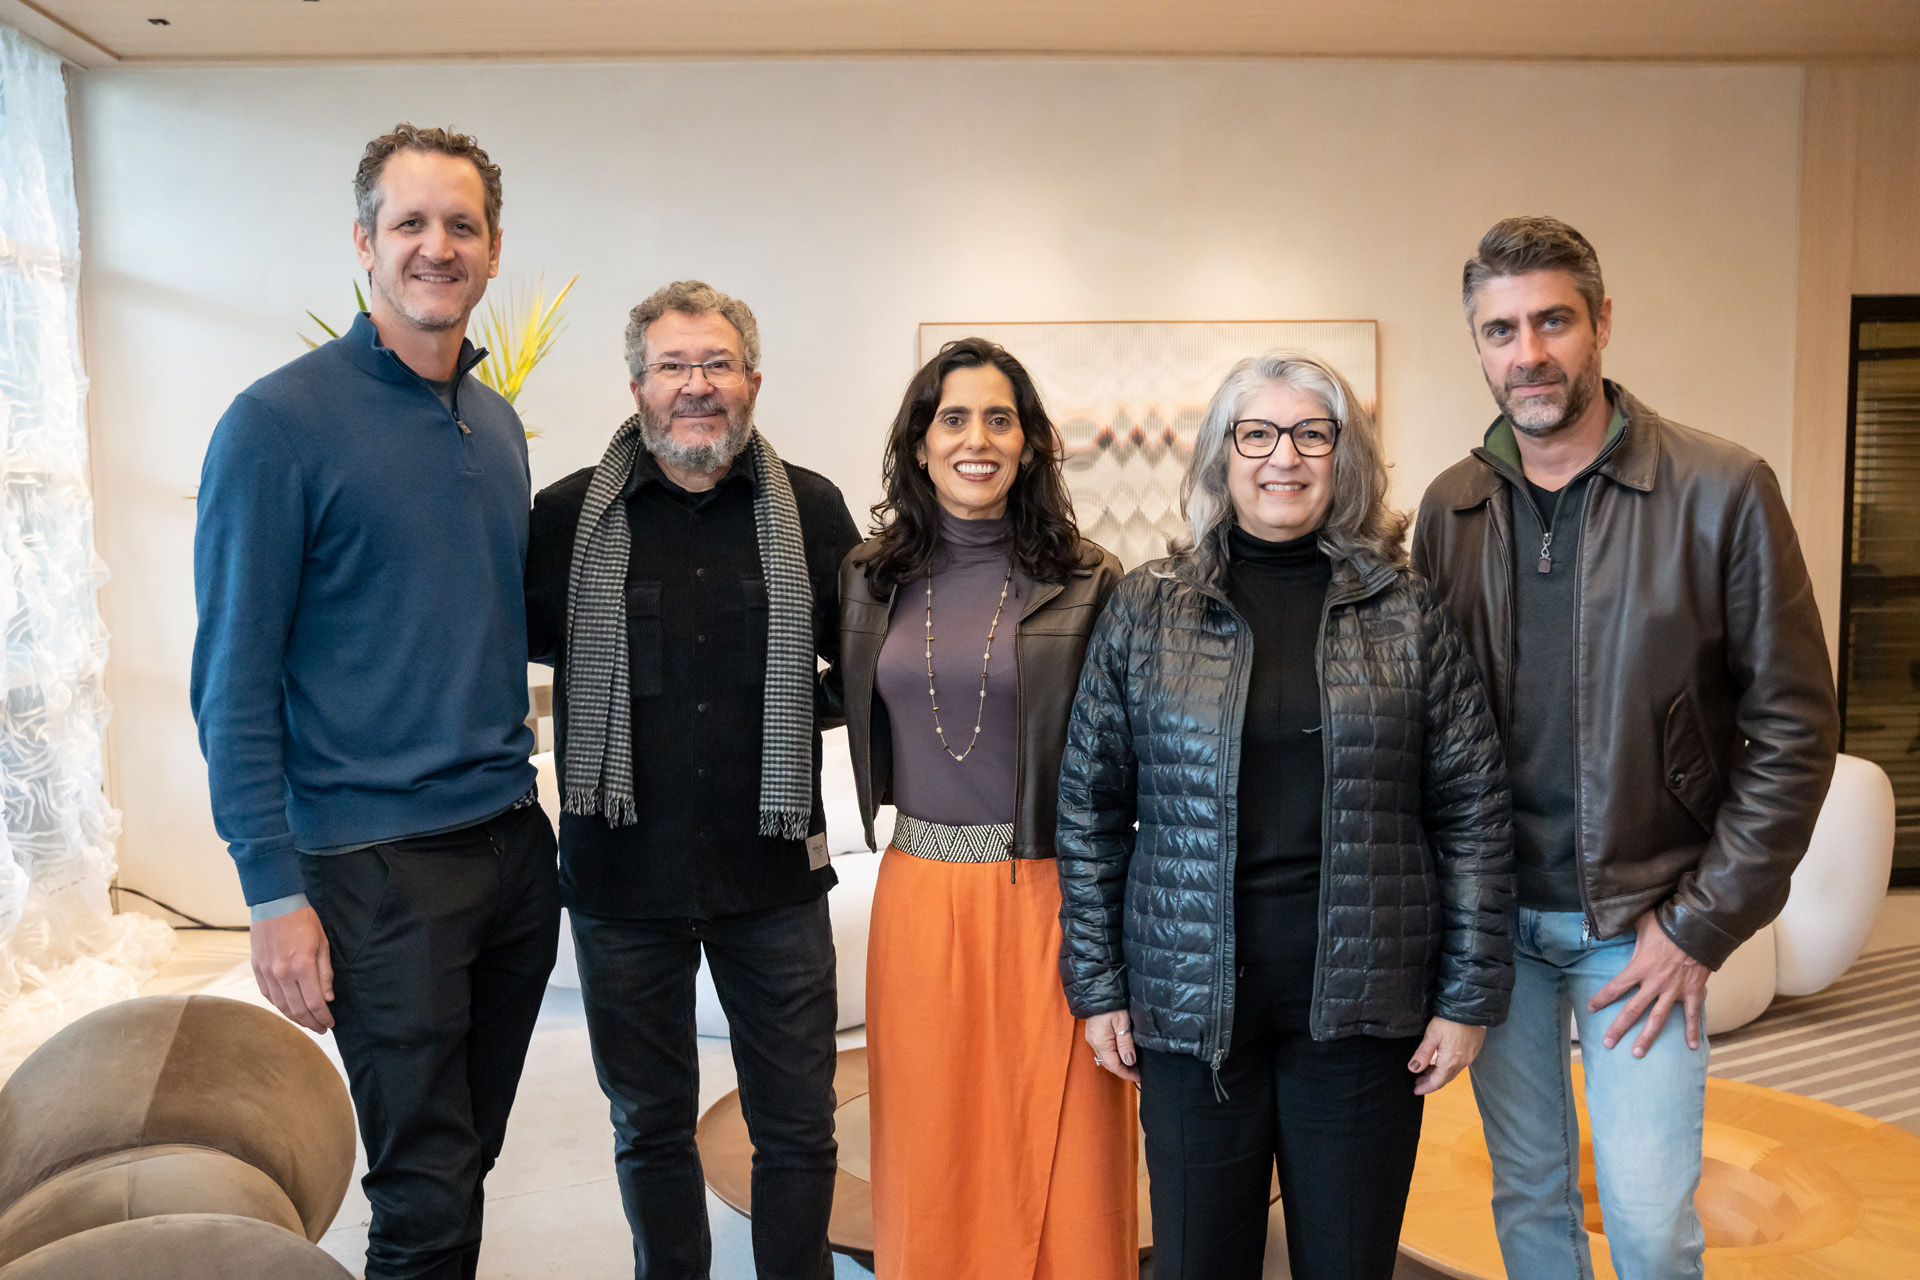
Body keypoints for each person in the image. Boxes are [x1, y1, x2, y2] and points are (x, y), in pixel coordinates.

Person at [1412, 216, 1841, 1280]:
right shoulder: (1451, 508)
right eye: (1501, 328)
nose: (1529, 351)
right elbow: (1422, 725)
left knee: (1650, 1224)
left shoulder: (1720, 488)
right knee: (1530, 1201)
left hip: (1644, 929)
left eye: (1553, 319)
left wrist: (1698, 927)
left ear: (1601, 323)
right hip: (1496, 926)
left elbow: (1795, 728)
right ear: (1477, 345)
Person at [1057, 351, 1514, 1280]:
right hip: (1191, 1007)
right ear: (1222, 458)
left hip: (1360, 1007)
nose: (1284, 458)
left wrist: (1467, 997)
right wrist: (1098, 982)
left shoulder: (1407, 611)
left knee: (1347, 1263)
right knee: (1197, 1263)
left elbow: (1471, 808)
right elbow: (1091, 807)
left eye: (1313, 434)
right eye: (1257, 433)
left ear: (1345, 458)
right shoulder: (1149, 607)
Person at [191, 124, 556, 1280]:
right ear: (363, 242)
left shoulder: (496, 426)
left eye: (461, 226)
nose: (435, 247)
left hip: (510, 843)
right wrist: (269, 889)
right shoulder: (277, 424)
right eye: (410, 223)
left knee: (462, 1154)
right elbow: (232, 678)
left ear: (494, 253)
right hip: (377, 864)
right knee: (425, 1194)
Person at [524, 280, 860, 1280]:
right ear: (637, 385)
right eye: (673, 366)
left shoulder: (812, 506)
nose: (697, 386)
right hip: (622, 879)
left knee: (799, 1122)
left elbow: (859, 658)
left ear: (752, 379)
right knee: (650, 1121)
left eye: (716, 364)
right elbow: (526, 651)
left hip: (774, 872)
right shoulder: (564, 517)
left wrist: (789, 721)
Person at [839, 338, 1135, 1279]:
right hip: (920, 899)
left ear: (1032, 443)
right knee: (934, 1154)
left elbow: (1133, 753)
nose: (978, 439)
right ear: (920, 444)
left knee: (1072, 1156)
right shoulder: (867, 576)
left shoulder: (1091, 580)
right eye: (953, 418)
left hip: (1054, 895)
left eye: (999, 419)